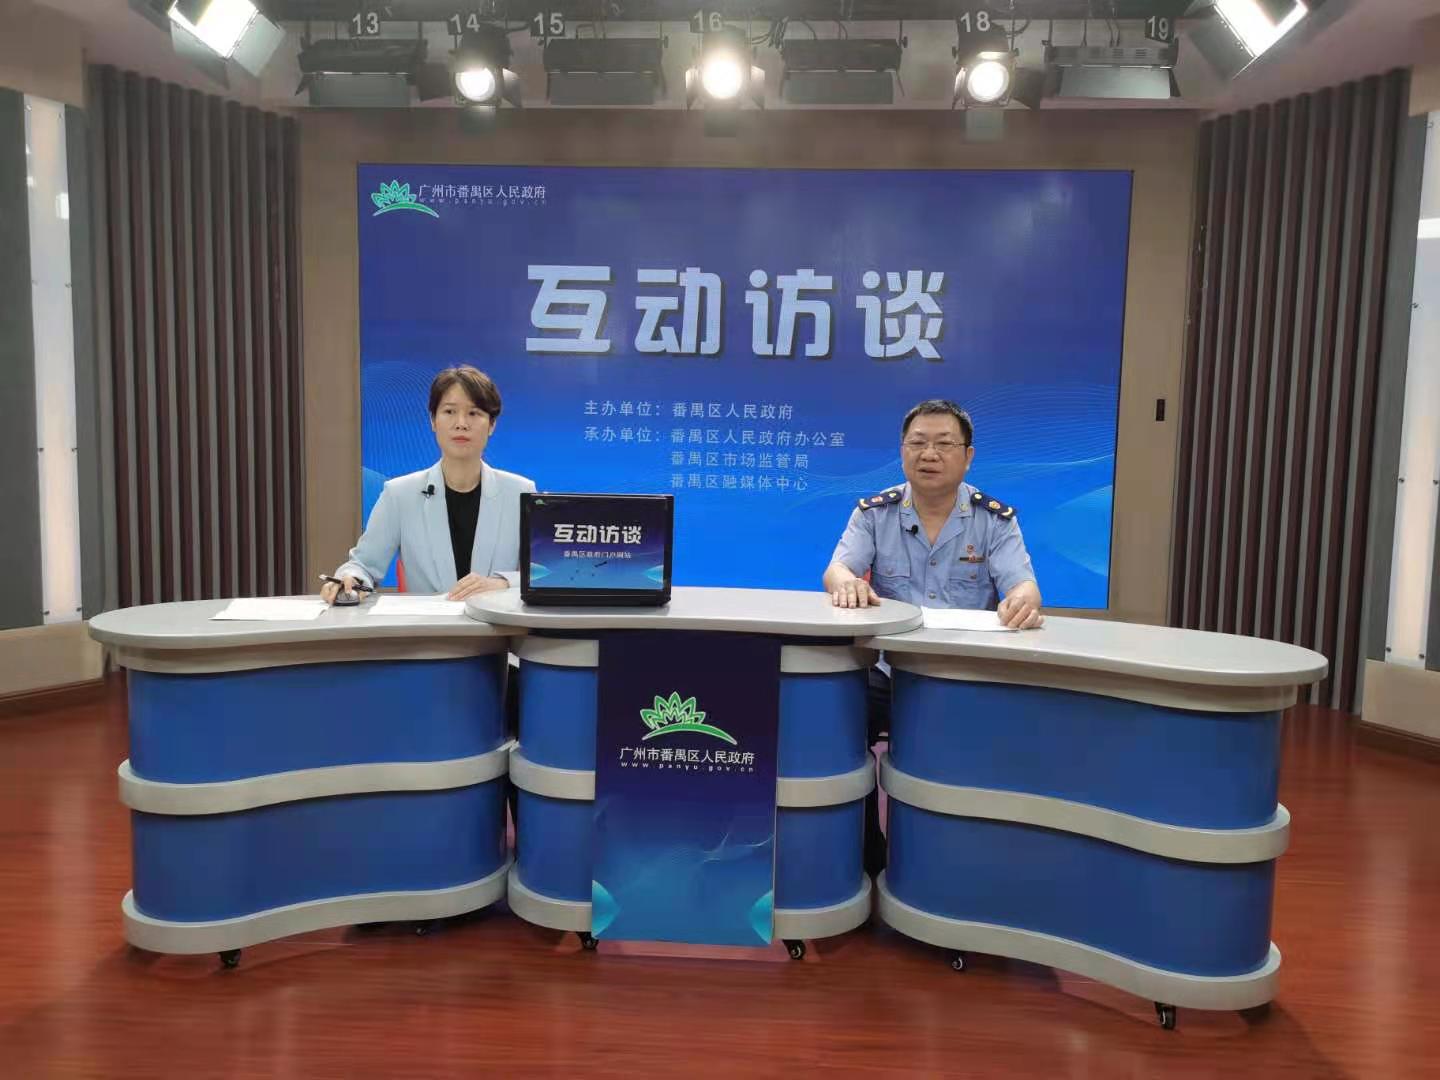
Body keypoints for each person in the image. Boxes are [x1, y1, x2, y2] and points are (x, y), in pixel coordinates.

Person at [822, 398, 1043, 874]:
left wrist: (1023, 599)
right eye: (918, 443)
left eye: (944, 444)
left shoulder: (994, 520)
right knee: (834, 727)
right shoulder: (874, 513)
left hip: (961, 675)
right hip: (887, 671)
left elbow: (1023, 586)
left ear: (968, 456)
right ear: (902, 450)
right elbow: (838, 569)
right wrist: (845, 583)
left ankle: (951, 864)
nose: (929, 454)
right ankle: (865, 856)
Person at [322, 365, 535, 605]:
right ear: (433, 420)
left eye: (474, 413)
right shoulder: (399, 494)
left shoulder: (520, 492)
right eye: (449, 411)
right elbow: (363, 565)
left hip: (496, 625)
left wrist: (504, 583)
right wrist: (349, 579)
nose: (461, 423)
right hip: (428, 626)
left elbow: (544, 574)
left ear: (492, 424)